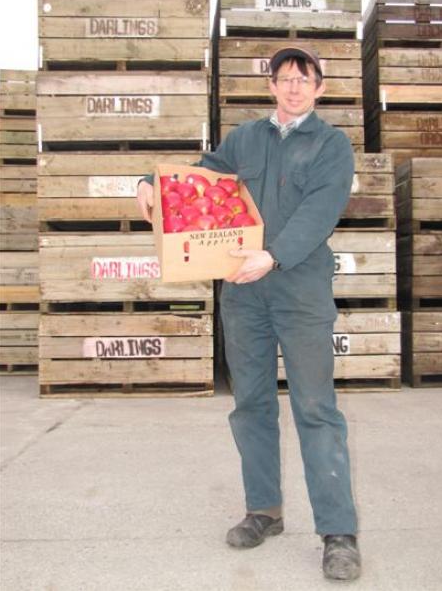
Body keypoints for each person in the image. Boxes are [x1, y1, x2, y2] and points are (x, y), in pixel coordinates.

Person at [136, 45, 361, 582]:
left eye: (304, 79)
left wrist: (274, 255)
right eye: (284, 78)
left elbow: (319, 213)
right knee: (252, 405)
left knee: (315, 409)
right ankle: (264, 511)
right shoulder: (245, 138)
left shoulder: (331, 146)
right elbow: (200, 174)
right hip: (242, 292)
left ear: (319, 88)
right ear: (272, 86)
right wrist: (147, 181)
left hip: (300, 290)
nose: (293, 87)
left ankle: (338, 532)